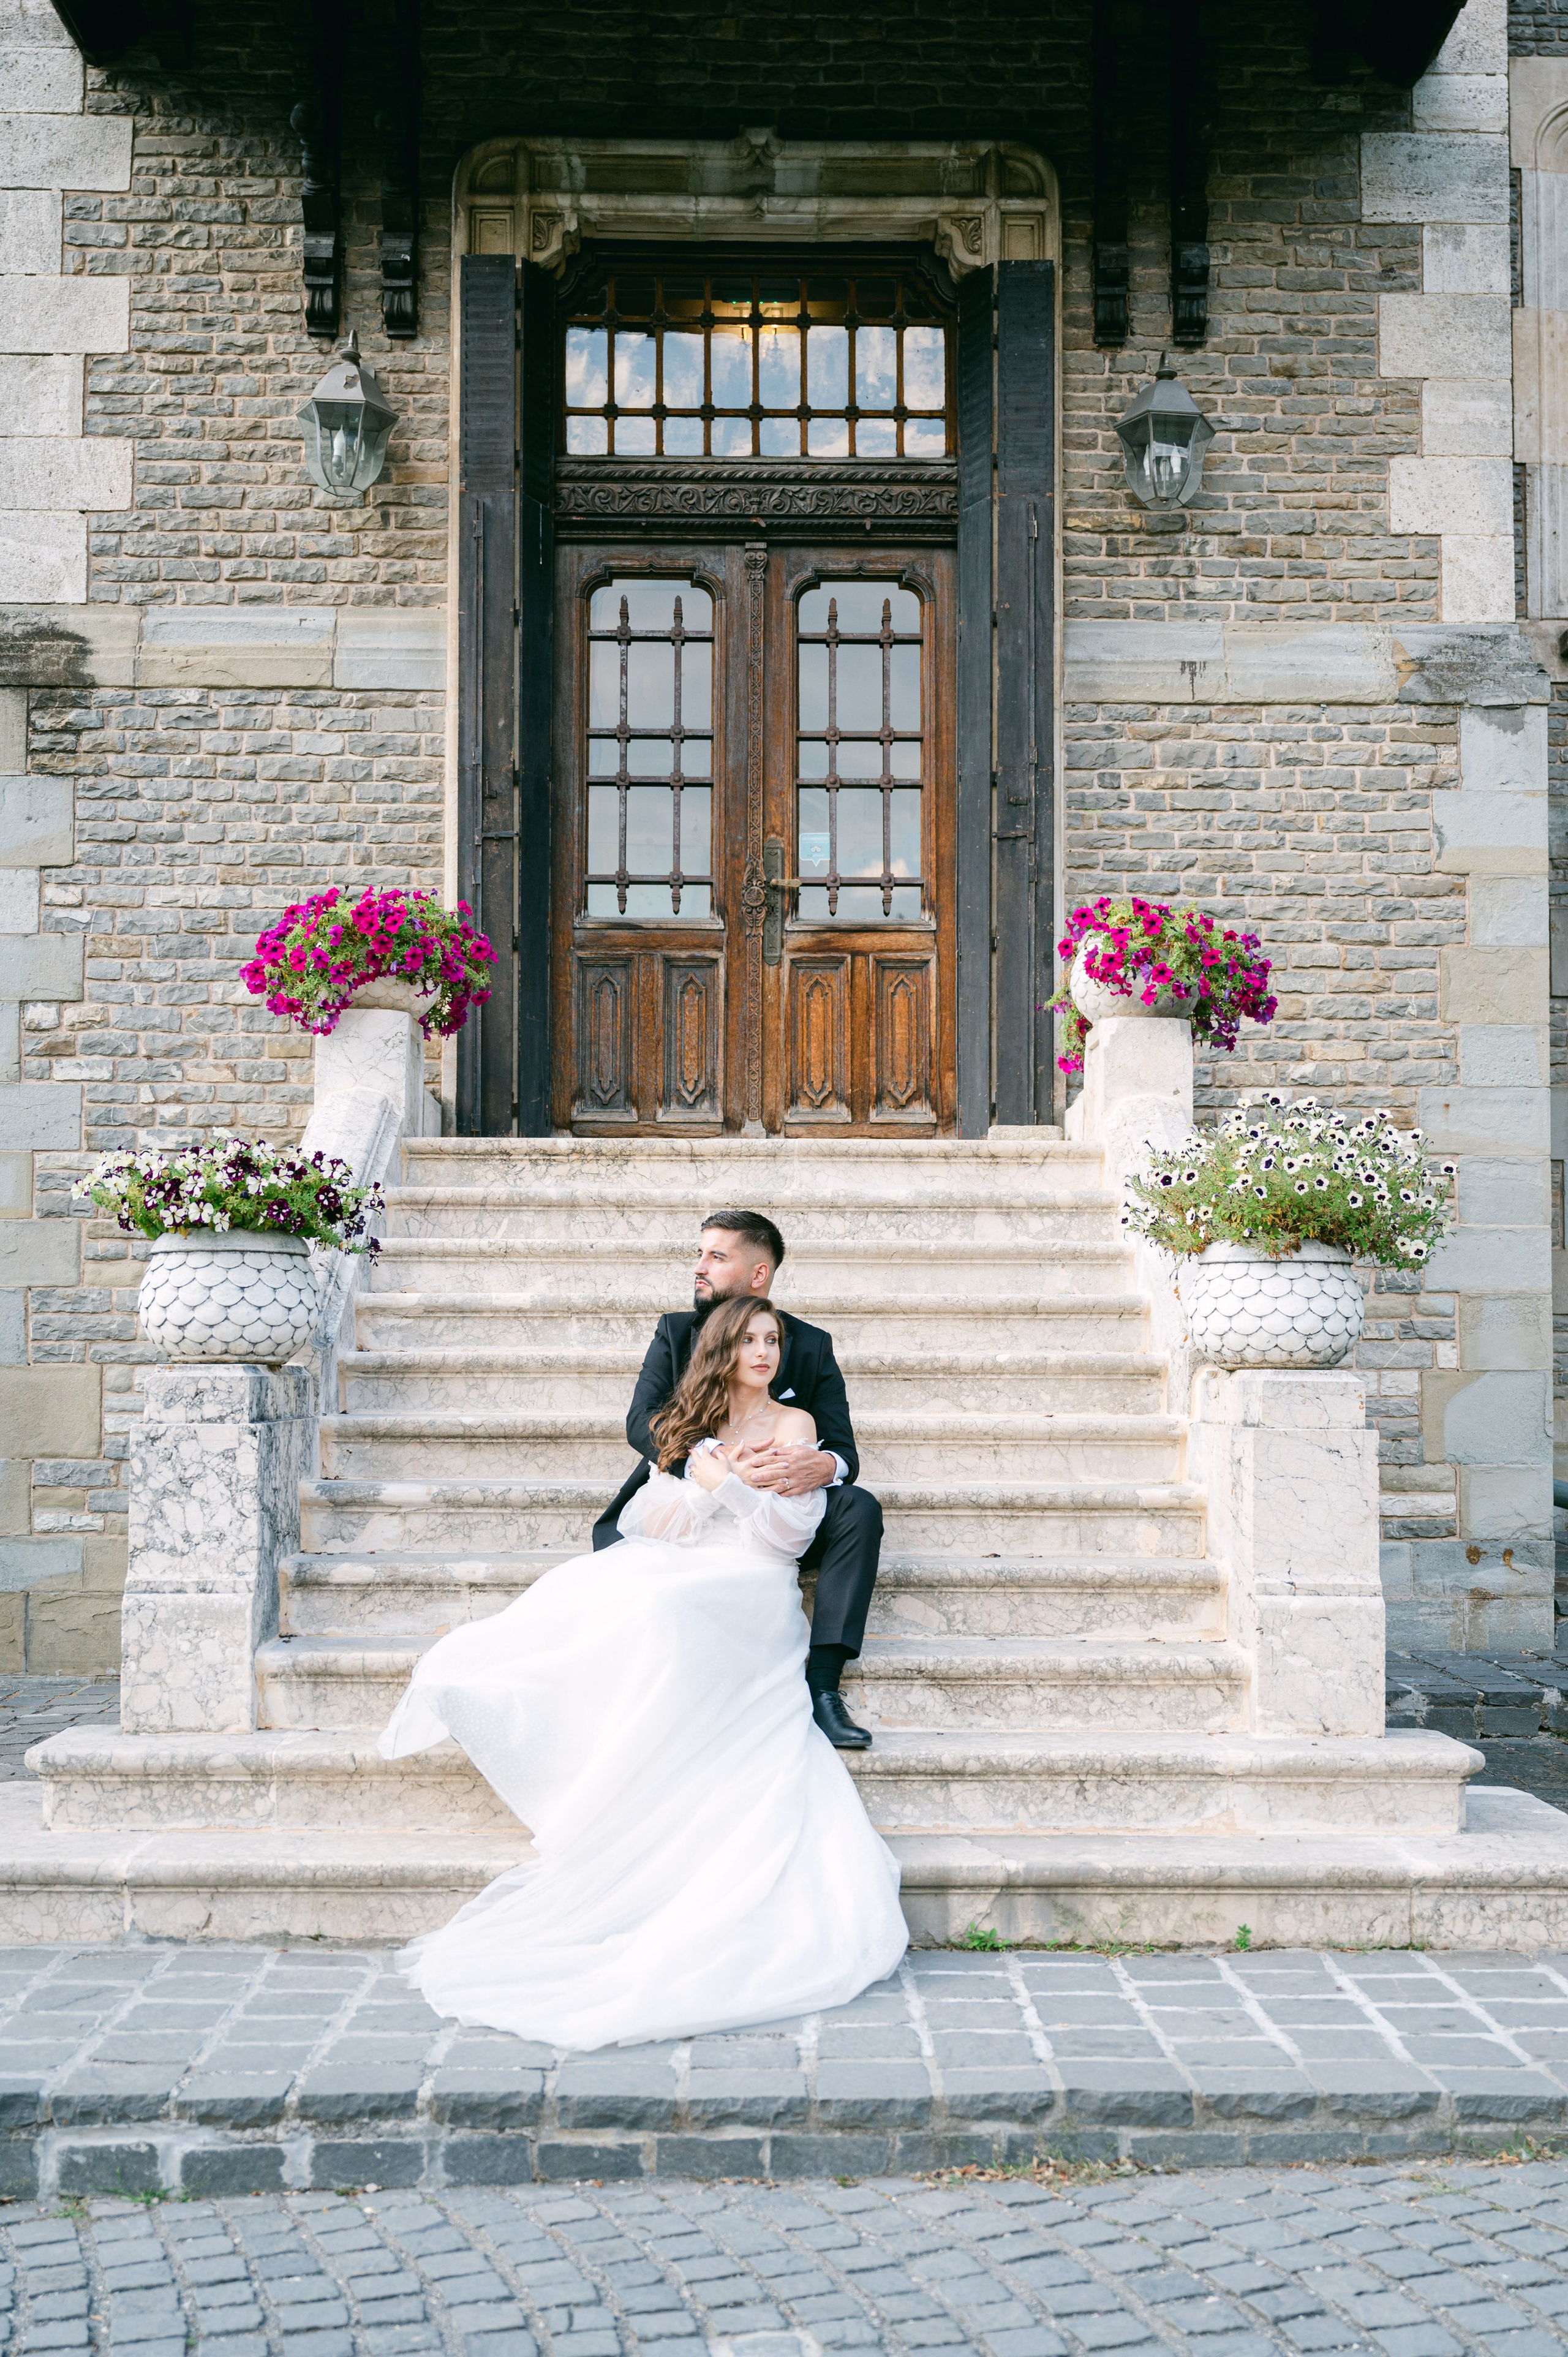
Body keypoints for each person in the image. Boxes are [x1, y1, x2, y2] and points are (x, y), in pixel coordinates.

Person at [377, 1292, 908, 2050]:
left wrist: (733, 1486)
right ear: (723, 1350)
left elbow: (788, 1537)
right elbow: (649, 1521)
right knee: (602, 1591)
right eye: (750, 1340)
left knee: (668, 1610)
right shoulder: (696, 1425)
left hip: (752, 1581)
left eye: (772, 1340)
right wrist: (703, 1475)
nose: (764, 1352)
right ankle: (515, 1701)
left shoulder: (795, 1426)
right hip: (688, 1560)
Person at [594, 1209, 881, 1749]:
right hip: (688, 1495)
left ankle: (823, 1685)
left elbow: (843, 1449)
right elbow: (642, 1422)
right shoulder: (676, 1331)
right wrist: (718, 1466)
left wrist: (826, 1465)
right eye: (700, 1254)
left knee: (859, 1506)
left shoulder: (810, 1344)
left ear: (758, 1274)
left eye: (716, 1257)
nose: (699, 1267)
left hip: (774, 1510)